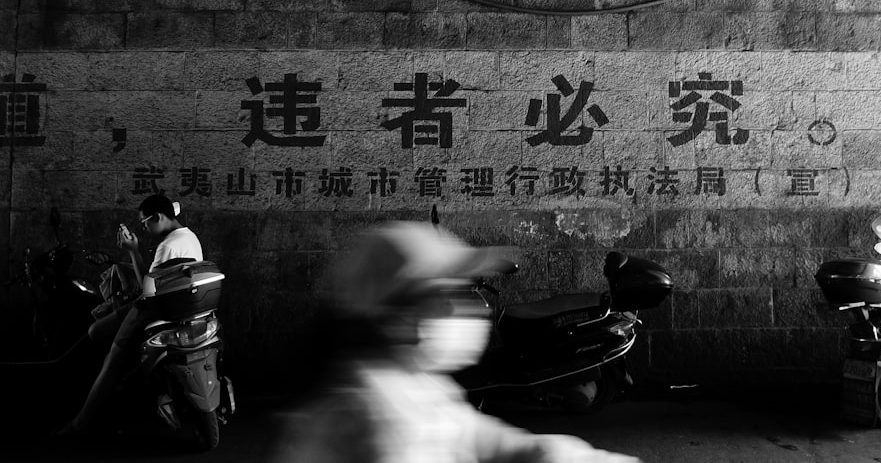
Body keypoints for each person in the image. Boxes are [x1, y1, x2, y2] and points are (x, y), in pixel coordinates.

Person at [270, 221, 641, 463]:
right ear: (394, 315)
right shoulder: (367, 413)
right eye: (444, 294)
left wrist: (555, 453)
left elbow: (486, 441)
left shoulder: (419, 388)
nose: (460, 308)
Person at [58, 194, 204, 436]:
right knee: (96, 331)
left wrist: (133, 251)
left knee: (112, 359)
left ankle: (80, 424)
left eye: (145, 222)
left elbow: (148, 288)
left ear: (158, 217)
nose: (144, 228)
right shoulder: (188, 237)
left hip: (153, 309)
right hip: (163, 306)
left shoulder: (169, 245)